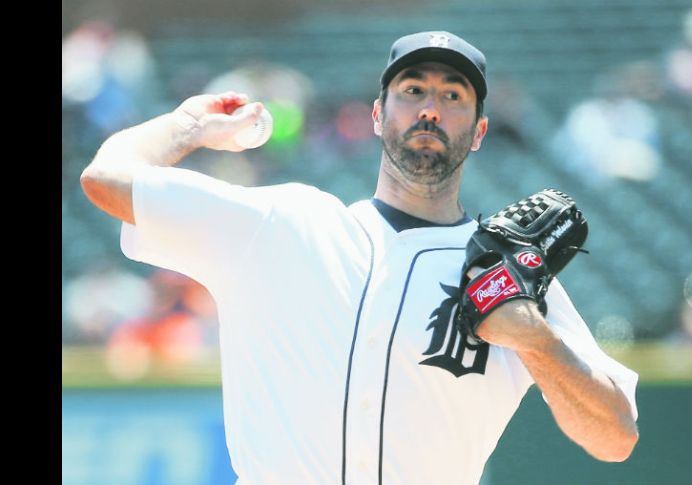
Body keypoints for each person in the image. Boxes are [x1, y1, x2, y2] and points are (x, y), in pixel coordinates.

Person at [81, 31, 639, 485]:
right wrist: (189, 126)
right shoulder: (280, 224)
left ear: (479, 131)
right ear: (377, 115)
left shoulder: (508, 276)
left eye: (453, 96)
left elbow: (615, 437)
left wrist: (537, 342)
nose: (430, 109)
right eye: (412, 90)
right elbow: (106, 180)